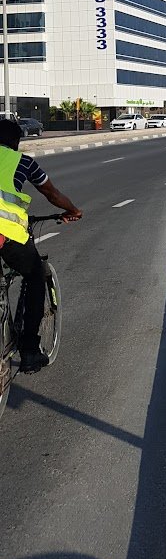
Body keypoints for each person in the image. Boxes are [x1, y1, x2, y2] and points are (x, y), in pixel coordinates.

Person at [0, 119, 82, 372]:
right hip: (6, 234)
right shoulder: (21, 162)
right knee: (36, 275)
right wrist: (72, 210)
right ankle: (29, 351)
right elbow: (52, 193)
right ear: (16, 142)